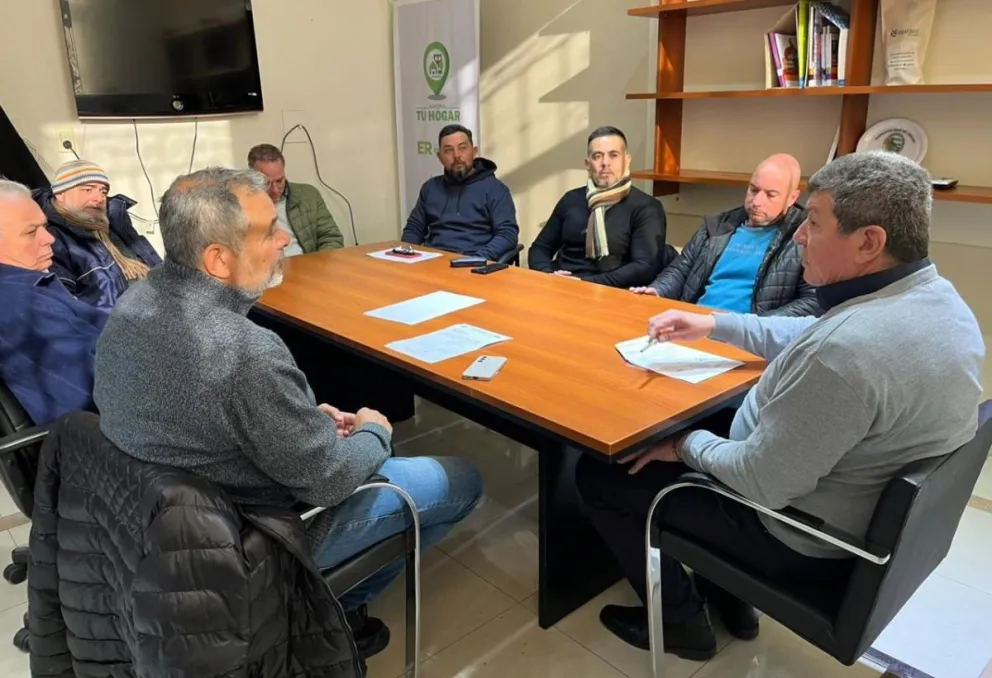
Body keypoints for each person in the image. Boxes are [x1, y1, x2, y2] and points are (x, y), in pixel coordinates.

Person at [576, 151, 984, 660]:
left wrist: (683, 445)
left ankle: (680, 624)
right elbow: (806, 331)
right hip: (844, 502)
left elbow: (761, 480)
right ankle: (731, 600)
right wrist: (714, 324)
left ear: (868, 242)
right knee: (711, 421)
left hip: (793, 534)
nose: (799, 236)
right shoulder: (939, 301)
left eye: (814, 223)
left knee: (604, 474)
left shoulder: (847, 353)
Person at [93, 167, 483, 660]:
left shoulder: (135, 300)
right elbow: (327, 482)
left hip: (164, 527)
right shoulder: (246, 352)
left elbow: (198, 407)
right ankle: (329, 615)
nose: (284, 240)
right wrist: (374, 430)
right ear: (218, 258)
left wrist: (296, 414)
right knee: (460, 479)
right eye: (269, 231)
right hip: (256, 536)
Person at [631, 153, 819, 316]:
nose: (757, 202)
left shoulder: (805, 238)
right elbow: (680, 269)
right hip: (693, 322)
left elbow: (813, 301)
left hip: (747, 334)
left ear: (792, 198)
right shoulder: (718, 225)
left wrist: (758, 326)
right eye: (753, 190)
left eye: (770, 195)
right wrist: (657, 291)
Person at [0, 179, 108, 425]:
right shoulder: (17, 307)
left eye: (45, 226)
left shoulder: (33, 284)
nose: (49, 239)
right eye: (31, 232)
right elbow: (97, 390)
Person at [528, 126, 667, 288]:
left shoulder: (646, 207)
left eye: (613, 155)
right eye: (597, 156)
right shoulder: (571, 200)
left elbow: (645, 267)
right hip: (561, 286)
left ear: (627, 160)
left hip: (610, 291)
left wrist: (585, 284)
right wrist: (547, 274)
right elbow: (539, 248)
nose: (605, 163)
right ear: (587, 164)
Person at [34, 160, 162, 309]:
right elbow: (66, 306)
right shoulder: (51, 238)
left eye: (103, 192)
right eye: (88, 190)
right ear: (60, 194)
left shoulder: (112, 223)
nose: (99, 198)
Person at [401, 124, 519, 261]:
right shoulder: (430, 188)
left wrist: (478, 258)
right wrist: (407, 255)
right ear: (440, 157)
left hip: (473, 261)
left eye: (462, 148)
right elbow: (414, 228)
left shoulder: (495, 189)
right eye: (448, 150)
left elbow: (507, 234)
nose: (456, 155)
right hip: (432, 261)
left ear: (474, 152)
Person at [247, 143, 345, 255]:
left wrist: (318, 262)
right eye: (267, 183)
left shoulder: (308, 195)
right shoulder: (241, 205)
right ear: (252, 178)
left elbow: (331, 237)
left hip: (308, 262)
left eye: (279, 180)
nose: (275, 189)